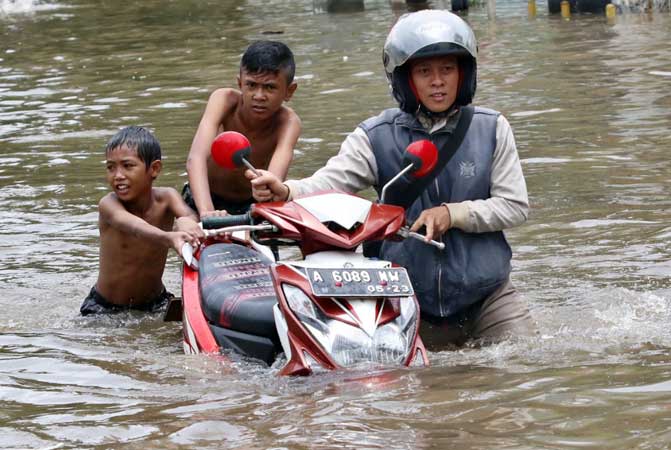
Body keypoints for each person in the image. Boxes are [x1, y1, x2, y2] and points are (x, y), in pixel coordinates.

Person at [249, 10, 535, 347]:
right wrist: (286, 189)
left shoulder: (491, 128)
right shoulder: (375, 135)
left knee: (524, 363)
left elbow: (514, 206)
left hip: (488, 297)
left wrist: (453, 214)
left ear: (464, 73)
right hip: (406, 299)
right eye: (424, 71)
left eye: (447, 69)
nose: (438, 81)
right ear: (404, 79)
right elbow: (330, 183)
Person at [81, 126, 203, 316]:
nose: (118, 175)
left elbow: (190, 217)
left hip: (156, 302)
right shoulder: (108, 204)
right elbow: (137, 227)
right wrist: (169, 237)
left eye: (127, 166)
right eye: (111, 167)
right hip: (105, 308)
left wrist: (186, 221)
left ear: (154, 169)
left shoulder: (167, 198)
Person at [185, 40, 301, 219]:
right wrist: (207, 212)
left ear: (289, 91)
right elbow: (196, 158)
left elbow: (273, 181)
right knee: (184, 226)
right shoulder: (223, 100)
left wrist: (265, 199)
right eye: (251, 85)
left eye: (270, 87)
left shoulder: (288, 122)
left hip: (250, 206)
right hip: (203, 198)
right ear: (240, 84)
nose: (259, 96)